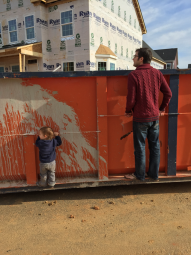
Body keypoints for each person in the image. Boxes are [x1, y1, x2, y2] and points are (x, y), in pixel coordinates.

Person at [124, 48, 172, 181]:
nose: (133, 58)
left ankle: (140, 175)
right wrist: (161, 109)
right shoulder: (157, 73)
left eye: (135, 56)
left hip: (140, 118)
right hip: (154, 118)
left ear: (141, 59)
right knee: (155, 147)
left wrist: (128, 111)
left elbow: (131, 99)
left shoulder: (134, 75)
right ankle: (153, 175)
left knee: (140, 148)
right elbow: (168, 93)